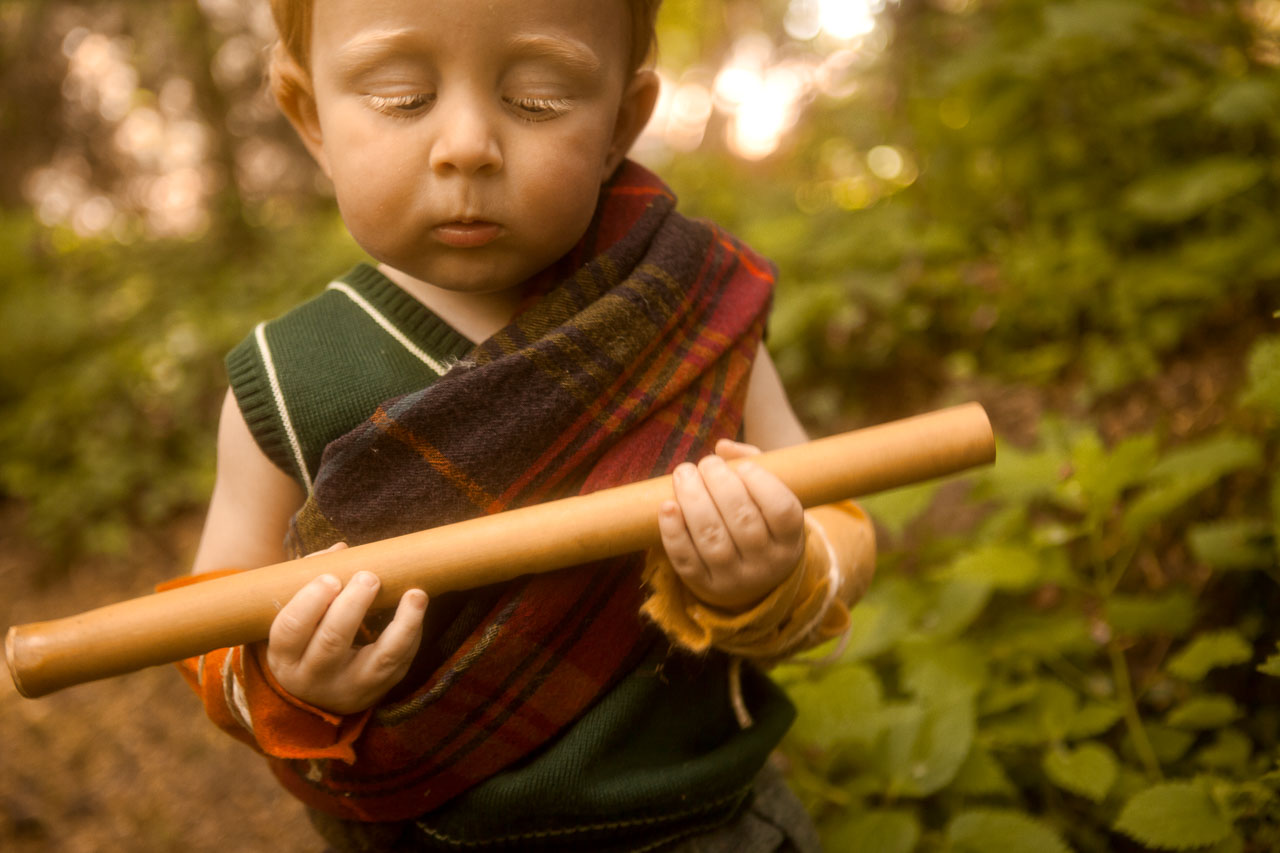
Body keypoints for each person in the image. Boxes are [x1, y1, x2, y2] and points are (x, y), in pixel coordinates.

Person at [175, 0, 876, 849]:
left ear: (622, 121)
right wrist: (290, 680)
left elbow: (839, 518)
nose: (467, 145)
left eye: (539, 98)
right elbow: (206, 620)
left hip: (701, 827)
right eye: (401, 96)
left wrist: (779, 569)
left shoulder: (689, 309)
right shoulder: (286, 379)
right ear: (310, 115)